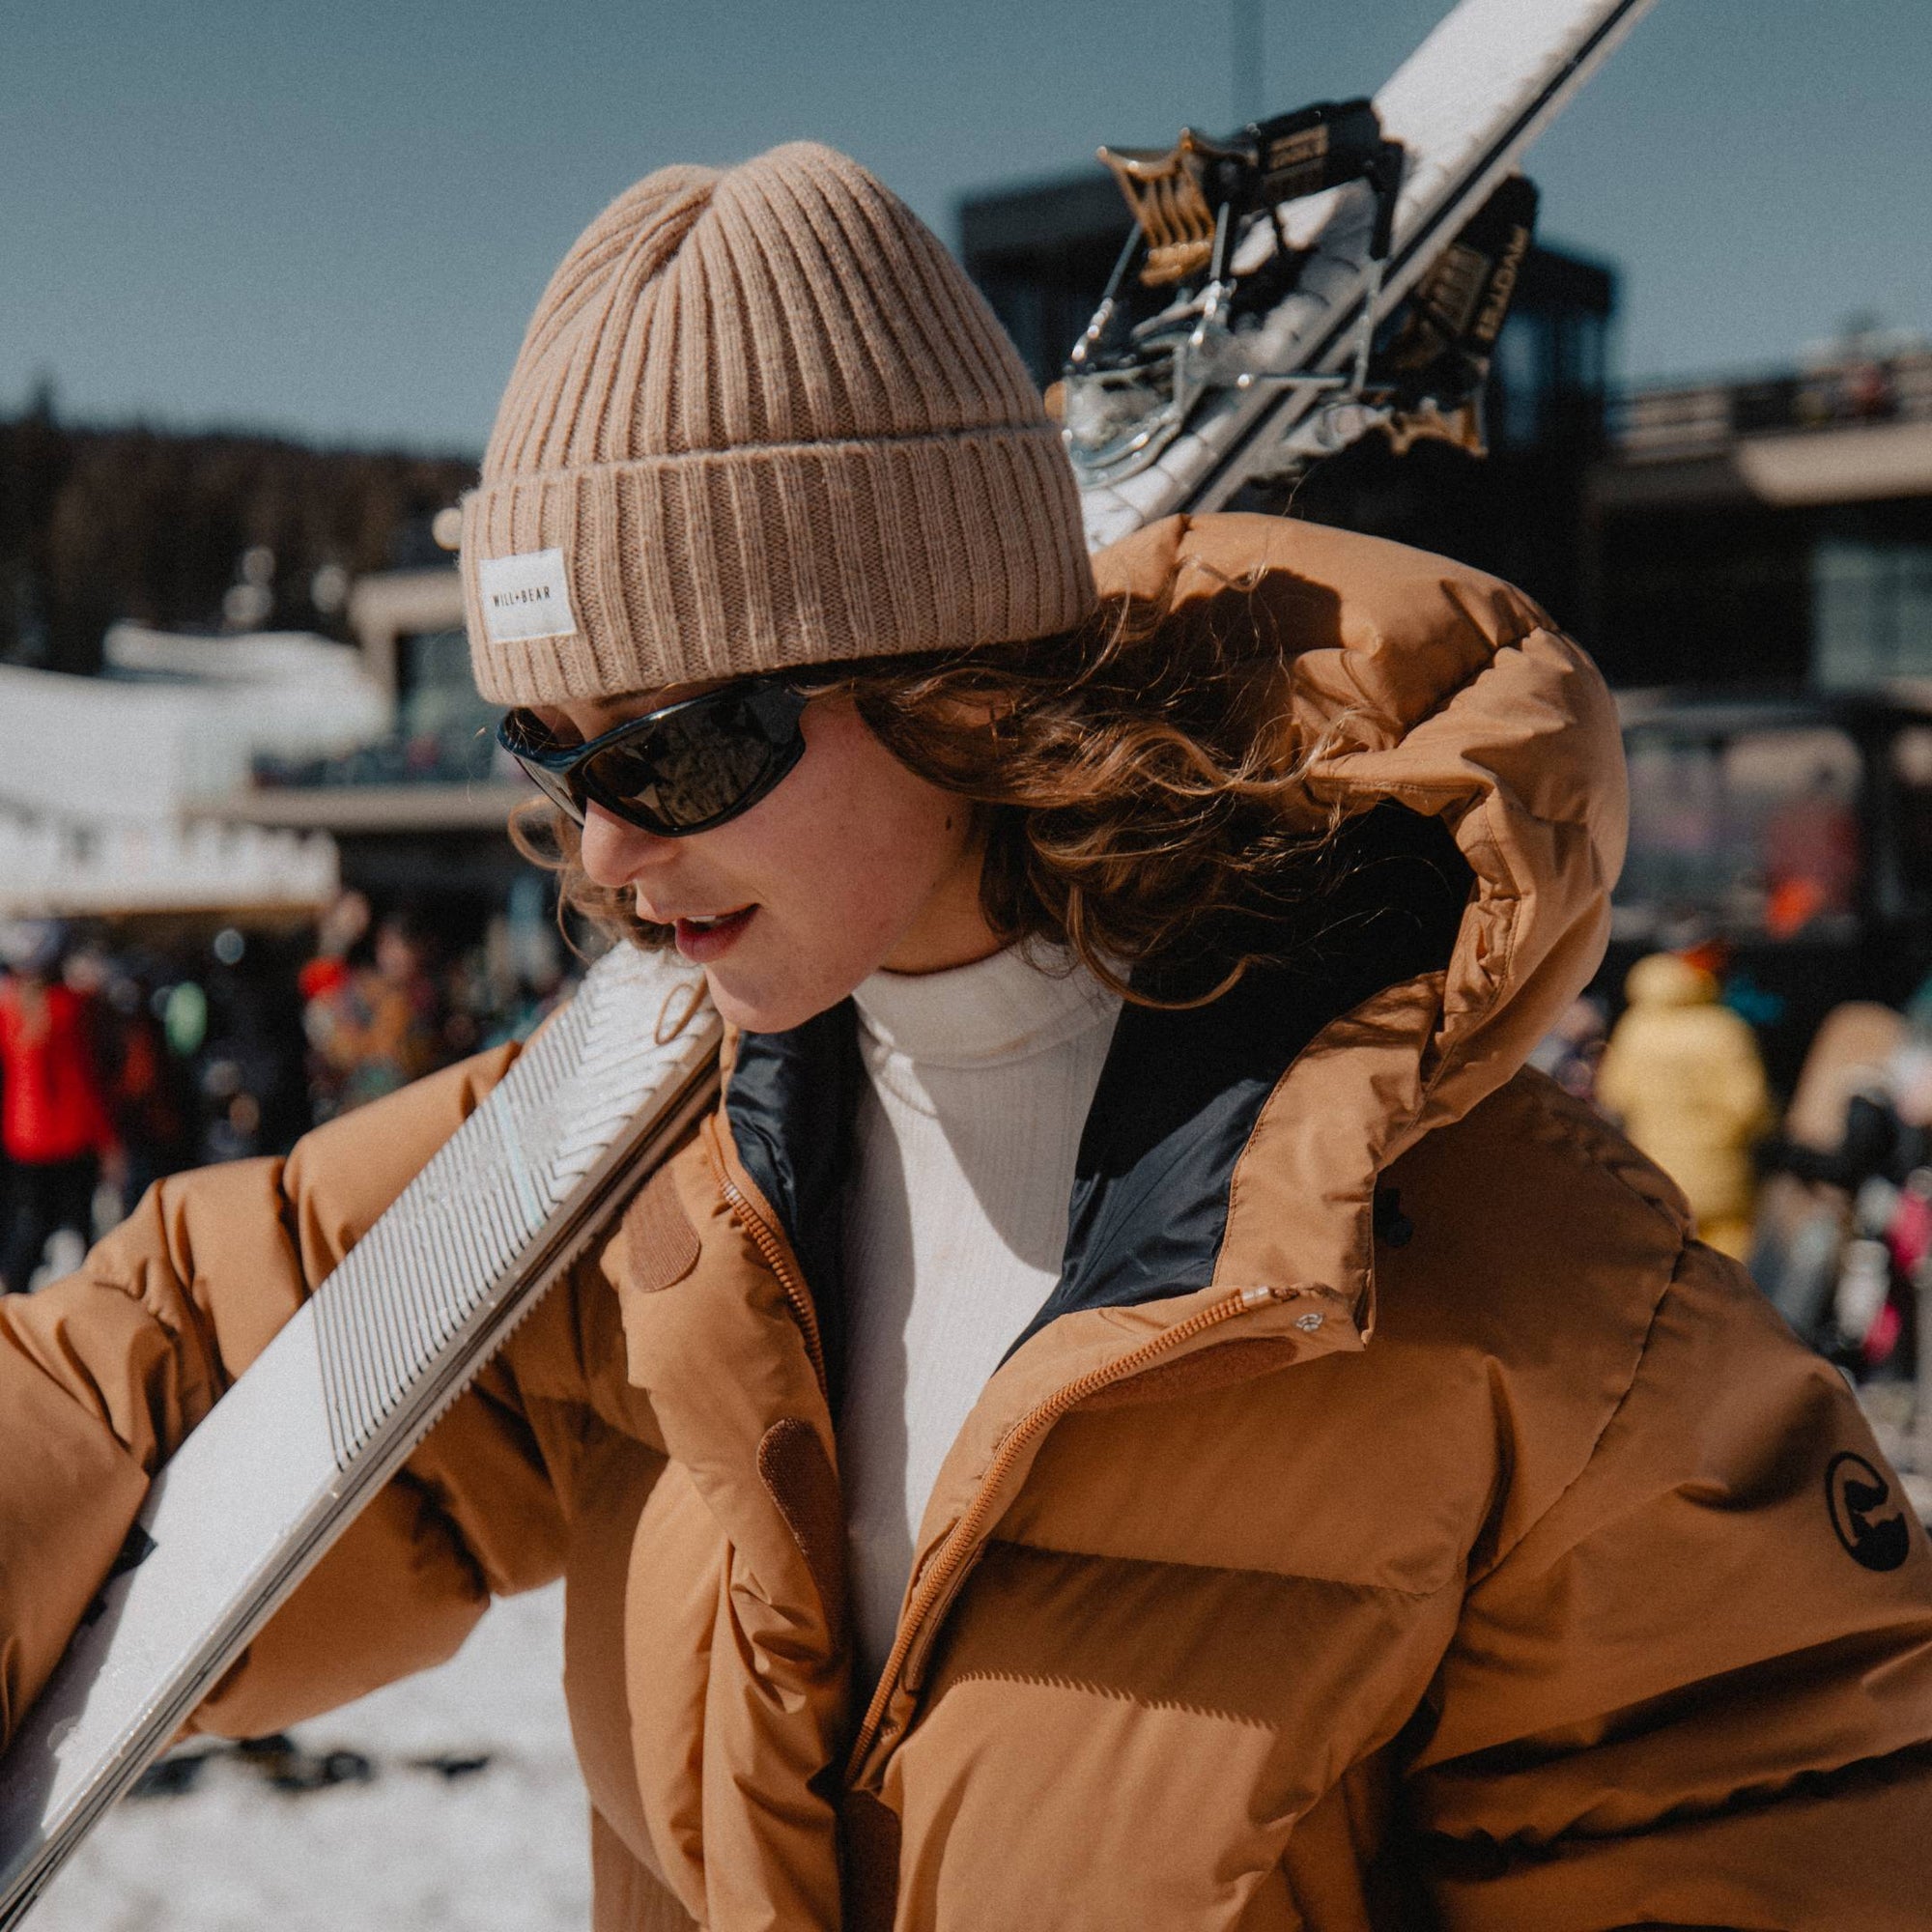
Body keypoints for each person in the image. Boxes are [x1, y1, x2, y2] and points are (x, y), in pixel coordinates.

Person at [3, 146, 1931, 1932]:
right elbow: (150, 1368)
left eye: (676, 746)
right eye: (554, 752)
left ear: (947, 677)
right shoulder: (625, 1159)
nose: (604, 847)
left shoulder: (1540, 1322)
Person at [1596, 949, 1775, 1261]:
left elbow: (1615, 1095)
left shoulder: (1635, 1029)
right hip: (1723, 1180)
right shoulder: (1725, 1029)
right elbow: (1751, 1107)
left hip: (1658, 1177)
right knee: (1726, 1278)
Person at [0, 922, 118, 1293]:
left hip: (23, 1137)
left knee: (31, 1227)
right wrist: (108, 1139)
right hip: (70, 1136)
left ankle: (13, 1303)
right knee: (80, 1228)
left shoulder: (9, 1011)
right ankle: (86, 1301)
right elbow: (80, 1082)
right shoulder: (70, 1009)